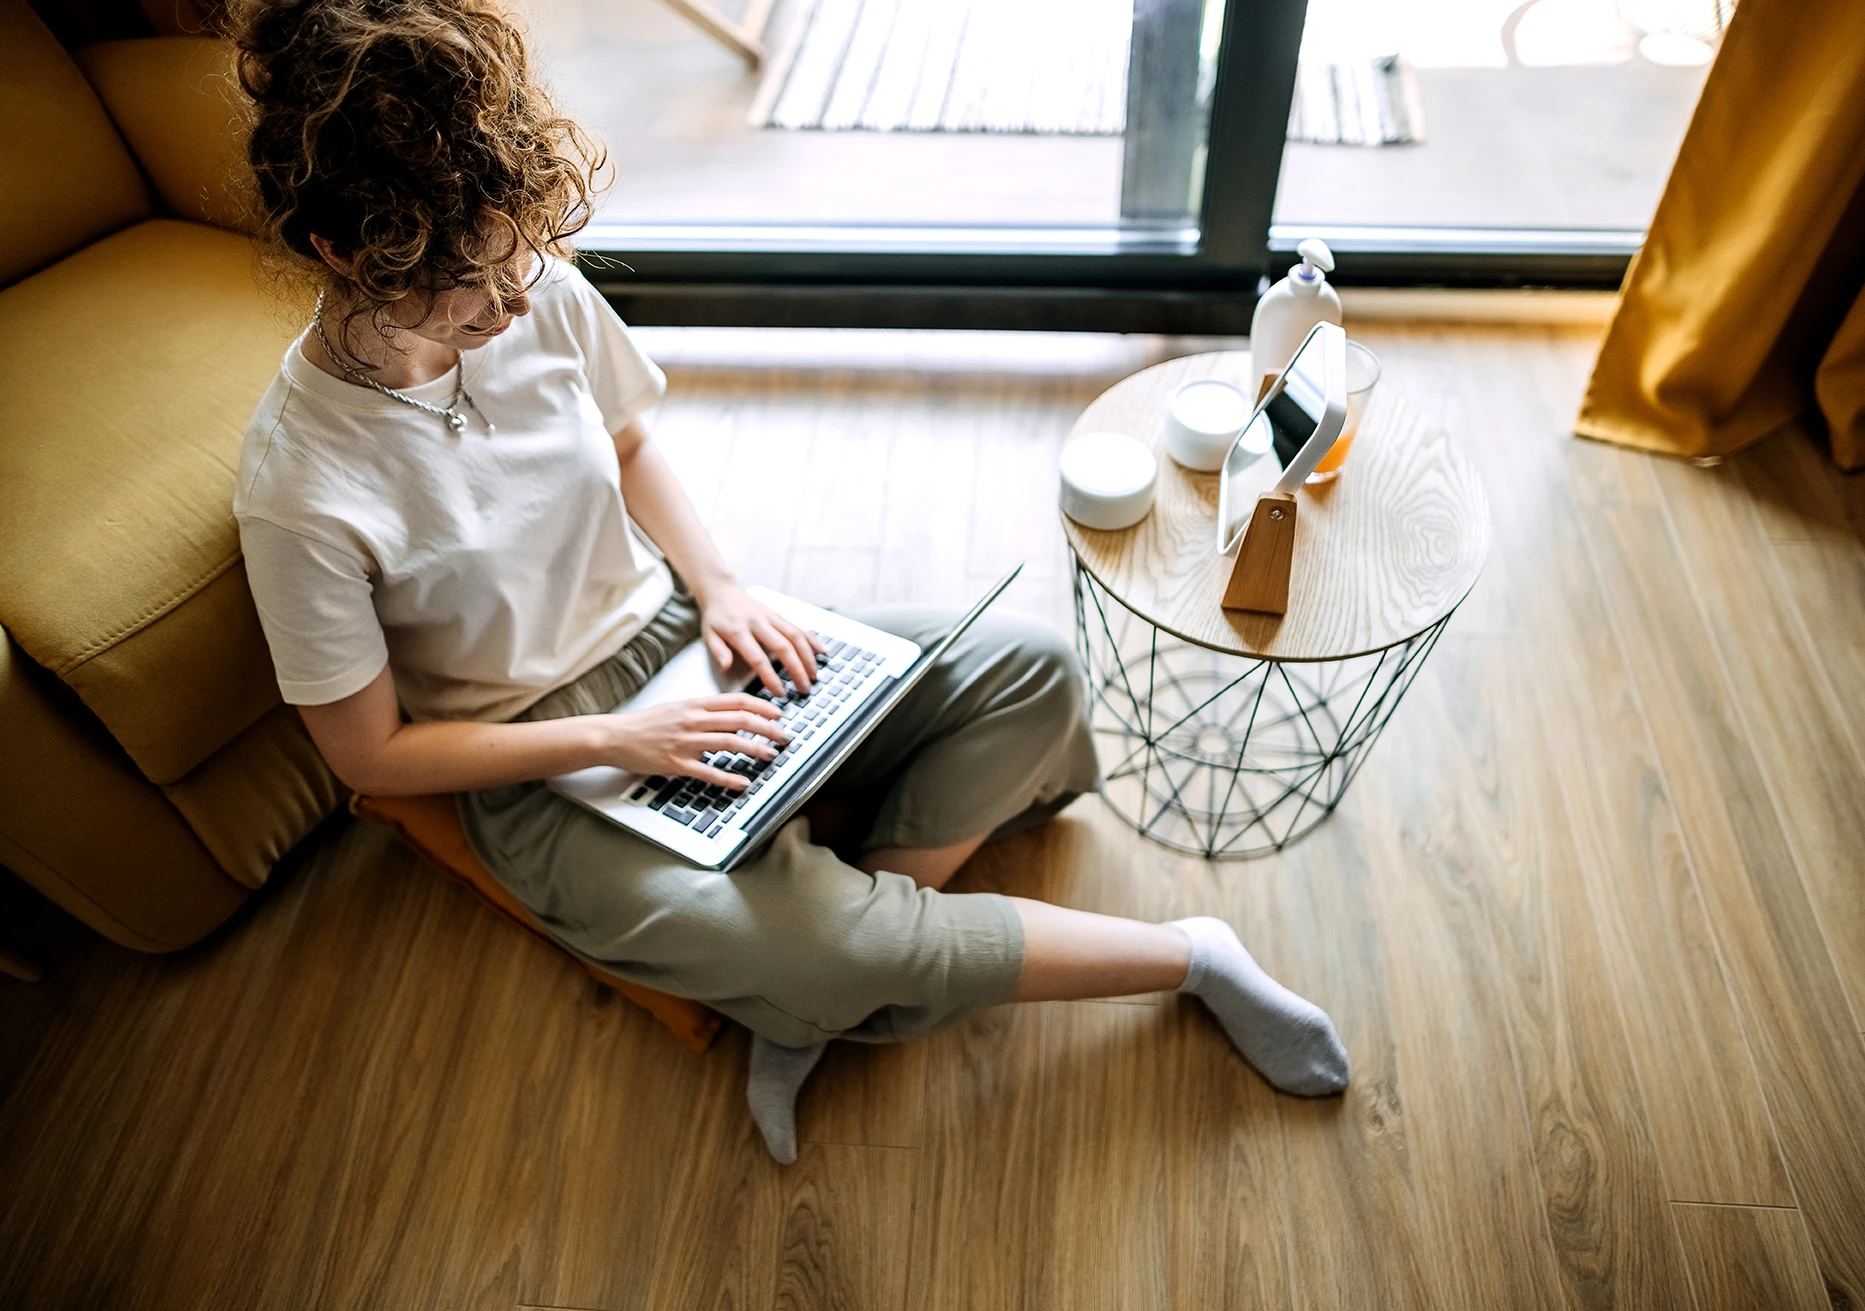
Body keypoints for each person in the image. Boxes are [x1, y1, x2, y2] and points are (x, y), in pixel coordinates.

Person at [229, 0, 1350, 1164]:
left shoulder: (530, 285)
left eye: (522, 266)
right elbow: (369, 757)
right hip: (539, 755)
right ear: (349, 254)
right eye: (476, 290)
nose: (516, 306)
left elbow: (627, 441)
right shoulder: (300, 490)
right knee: (836, 949)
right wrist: (623, 742)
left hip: (676, 635)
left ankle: (816, 970)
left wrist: (719, 589)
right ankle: (1188, 955)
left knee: (1029, 670)